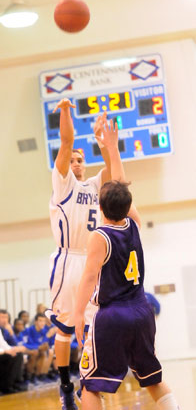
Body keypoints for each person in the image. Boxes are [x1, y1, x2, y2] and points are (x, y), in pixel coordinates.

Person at [74, 120, 180, 410]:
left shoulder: (100, 236)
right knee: (153, 380)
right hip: (142, 311)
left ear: (101, 205)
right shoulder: (134, 222)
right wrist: (111, 148)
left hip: (113, 315)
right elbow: (121, 184)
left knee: (90, 386)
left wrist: (77, 314)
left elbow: (87, 279)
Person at [45, 98, 113, 410]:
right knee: (65, 328)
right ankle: (63, 384)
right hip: (67, 260)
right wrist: (67, 111)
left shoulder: (95, 184)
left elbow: (112, 168)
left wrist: (102, 141)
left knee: (90, 325)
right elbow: (67, 140)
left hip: (90, 262)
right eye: (72, 159)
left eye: (80, 159)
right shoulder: (62, 183)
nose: (76, 163)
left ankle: (87, 381)